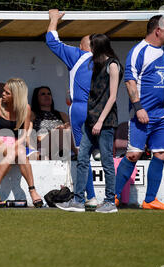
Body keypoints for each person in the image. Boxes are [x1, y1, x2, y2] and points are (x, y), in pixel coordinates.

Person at [56, 34, 123, 213]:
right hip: (91, 119)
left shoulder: (113, 65)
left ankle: (110, 201)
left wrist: (100, 121)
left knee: (107, 161)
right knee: (82, 158)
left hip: (105, 121)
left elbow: (113, 97)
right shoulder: (95, 65)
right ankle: (79, 200)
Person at [114, 15, 164, 210]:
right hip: (142, 114)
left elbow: (161, 81)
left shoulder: (163, 51)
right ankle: (112, 196)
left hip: (161, 115)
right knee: (133, 155)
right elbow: (129, 81)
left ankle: (150, 200)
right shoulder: (138, 51)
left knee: (161, 154)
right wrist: (138, 108)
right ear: (158, 30)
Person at [46, 9, 98, 208]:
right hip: (102, 111)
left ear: (85, 47)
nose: (78, 45)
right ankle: (107, 198)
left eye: (81, 43)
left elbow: (52, 41)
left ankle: (87, 197)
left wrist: (53, 19)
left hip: (80, 110)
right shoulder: (107, 62)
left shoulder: (79, 55)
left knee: (82, 154)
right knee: (95, 155)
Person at [0, 78, 43, 208]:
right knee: (19, 151)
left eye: (7, 93)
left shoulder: (26, 108)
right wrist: (4, 143)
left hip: (16, 145)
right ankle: (32, 191)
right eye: (3, 91)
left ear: (16, 96)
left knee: (21, 151)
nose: (3, 94)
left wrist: (15, 145)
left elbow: (24, 134)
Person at [30, 86, 70, 160]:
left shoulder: (61, 114)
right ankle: (64, 154)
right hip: (42, 145)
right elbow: (28, 133)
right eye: (43, 94)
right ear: (37, 98)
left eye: (49, 94)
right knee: (58, 130)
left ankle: (65, 153)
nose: (47, 96)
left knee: (66, 129)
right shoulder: (32, 114)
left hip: (59, 144)